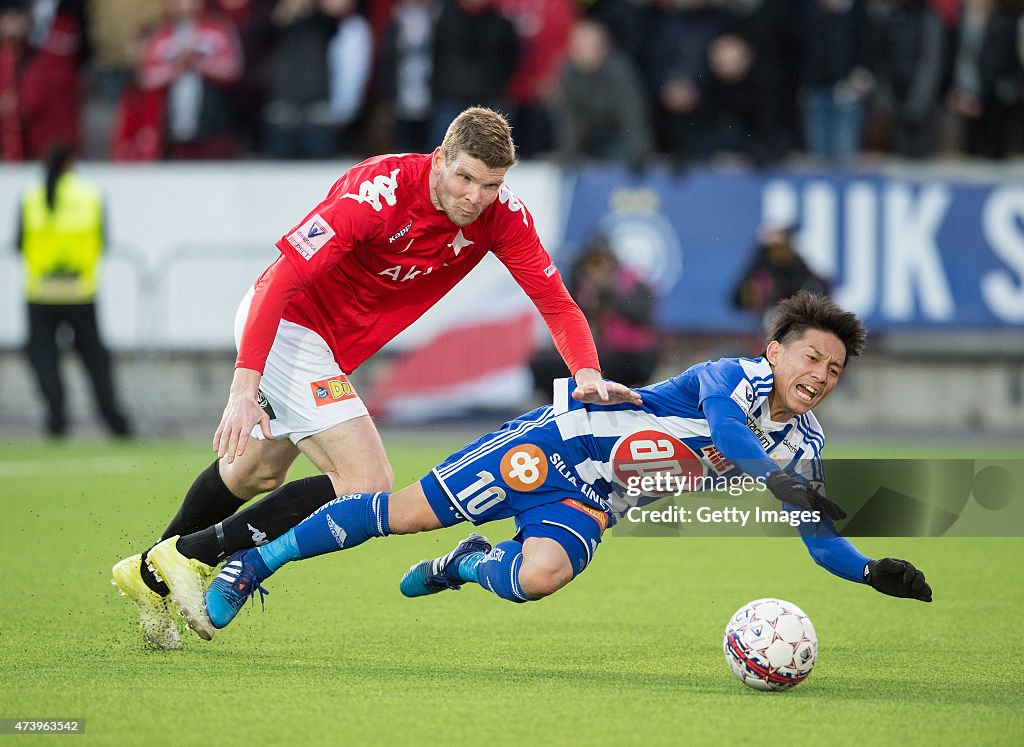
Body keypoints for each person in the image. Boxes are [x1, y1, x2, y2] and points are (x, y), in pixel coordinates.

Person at [112, 106, 628, 650]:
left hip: (328, 350)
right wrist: (243, 387)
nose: (475, 197)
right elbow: (279, 281)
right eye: (465, 178)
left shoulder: (503, 217)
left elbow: (554, 300)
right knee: (367, 483)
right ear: (441, 159)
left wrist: (587, 372)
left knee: (254, 476)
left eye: (492, 184)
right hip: (291, 328)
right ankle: (191, 558)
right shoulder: (376, 196)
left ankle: (149, 576)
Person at [143, 291, 931, 641]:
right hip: (557, 442)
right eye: (811, 356)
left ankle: (468, 563)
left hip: (594, 501)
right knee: (397, 510)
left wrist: (865, 571)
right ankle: (253, 564)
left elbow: (816, 535)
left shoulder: (807, 448)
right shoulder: (736, 377)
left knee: (537, 577)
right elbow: (732, 430)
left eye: (835, 369)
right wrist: (785, 483)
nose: (821, 375)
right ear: (776, 350)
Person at [17, 144, 132, 438]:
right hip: (80, 290)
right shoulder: (89, 195)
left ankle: (56, 417)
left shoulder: (31, 198)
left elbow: (19, 243)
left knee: (43, 357)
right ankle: (114, 421)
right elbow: (103, 240)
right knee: (95, 360)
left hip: (41, 291)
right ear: (72, 162)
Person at [531, 235, 659, 391]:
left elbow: (640, 315)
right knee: (543, 366)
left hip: (631, 354)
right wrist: (577, 278)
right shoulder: (585, 287)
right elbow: (570, 314)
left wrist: (608, 290)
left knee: (610, 366)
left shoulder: (633, 282)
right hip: (602, 353)